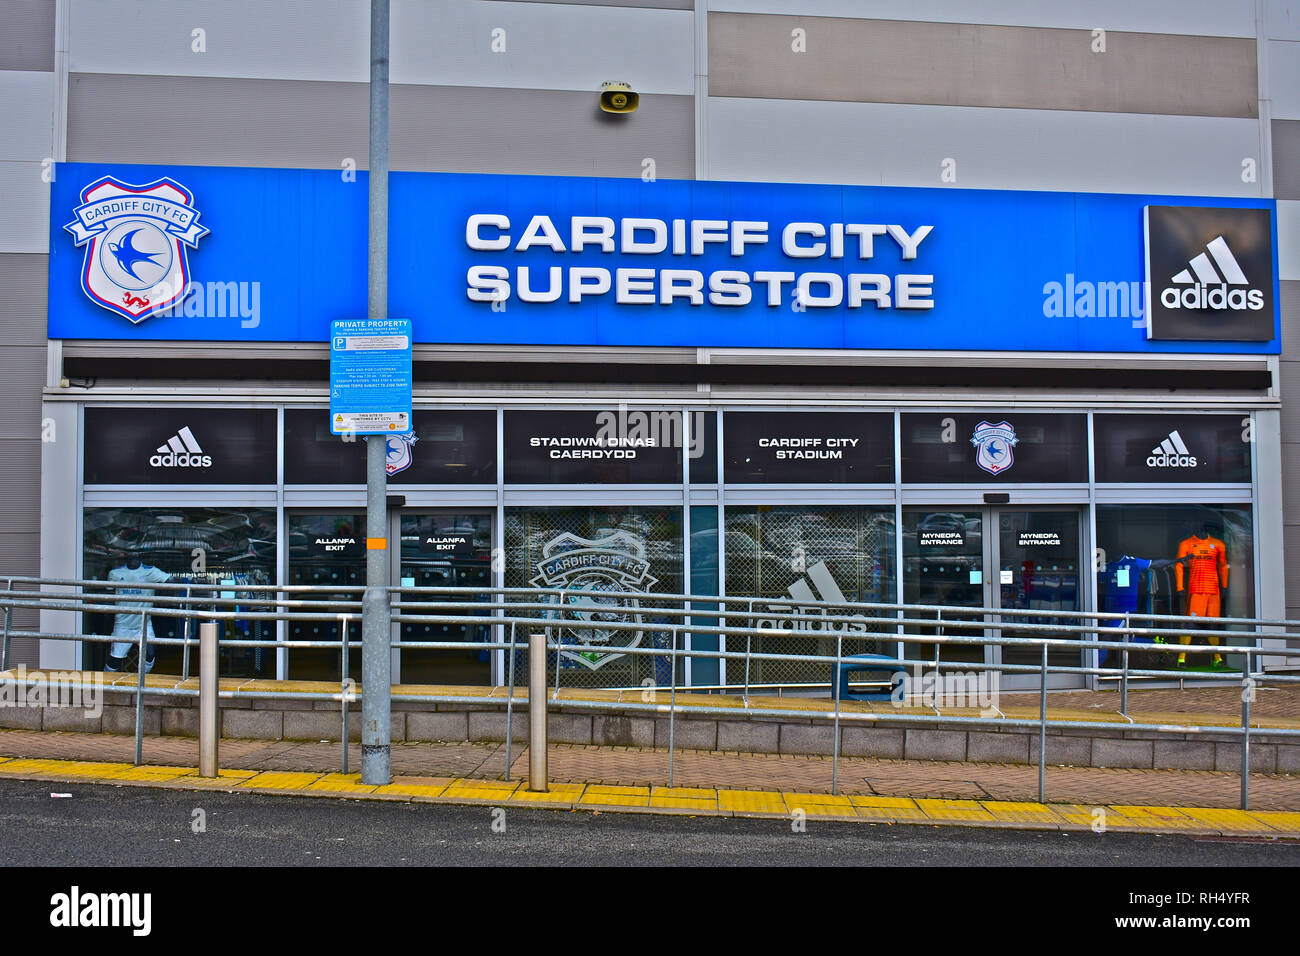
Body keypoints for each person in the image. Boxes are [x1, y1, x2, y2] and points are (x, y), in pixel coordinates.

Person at [104, 548, 171, 673]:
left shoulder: (151, 571)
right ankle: (103, 684)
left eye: (135, 552)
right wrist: (107, 617)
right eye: (130, 552)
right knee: (115, 661)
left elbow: (170, 580)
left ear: (141, 555)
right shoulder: (115, 573)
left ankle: (142, 682)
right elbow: (108, 595)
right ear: (125, 555)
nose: (133, 555)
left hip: (144, 623)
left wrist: (191, 582)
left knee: (150, 656)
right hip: (122, 625)